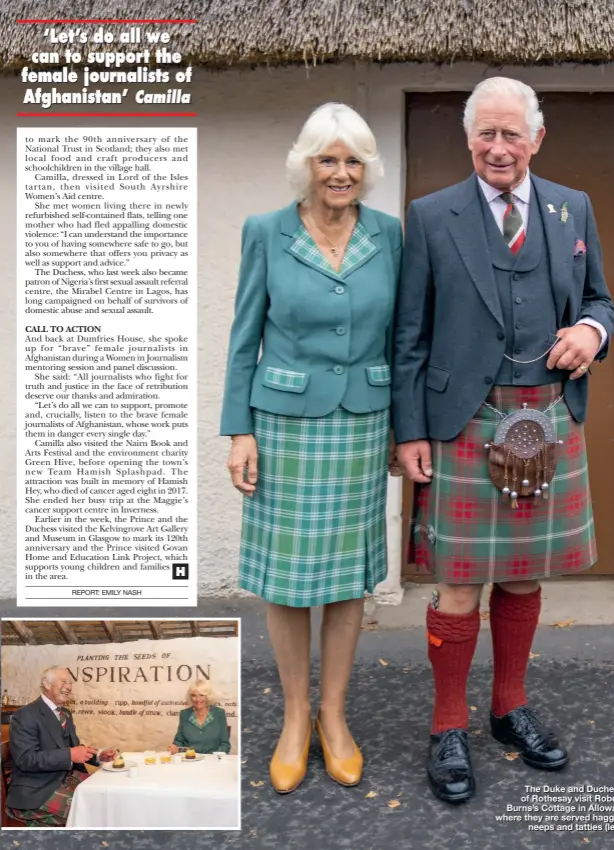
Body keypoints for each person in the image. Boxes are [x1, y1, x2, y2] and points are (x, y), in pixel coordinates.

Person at [392, 77, 614, 804]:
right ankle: (447, 723)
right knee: (458, 588)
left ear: (536, 139)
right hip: (465, 419)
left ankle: (508, 707)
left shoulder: (570, 206)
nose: (498, 147)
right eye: (485, 133)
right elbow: (410, 335)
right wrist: (411, 431)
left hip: (547, 417)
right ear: (468, 139)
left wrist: (592, 330)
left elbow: (597, 299)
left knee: (523, 575)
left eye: (511, 133)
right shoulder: (430, 216)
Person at [221, 102, 402, 793]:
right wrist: (239, 430)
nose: (340, 172)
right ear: (306, 164)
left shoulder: (390, 235)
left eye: (353, 160)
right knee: (289, 579)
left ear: (367, 170)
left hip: (362, 419)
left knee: (349, 577)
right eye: (328, 159)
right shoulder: (266, 232)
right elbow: (245, 338)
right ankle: (295, 718)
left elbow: (400, 338)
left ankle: (335, 717)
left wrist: (400, 424)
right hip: (285, 423)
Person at [5, 666, 116, 827]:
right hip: (38, 790)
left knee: (107, 801)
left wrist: (98, 756)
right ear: (47, 684)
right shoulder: (25, 714)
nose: (69, 686)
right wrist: (69, 755)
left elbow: (74, 748)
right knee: (93, 815)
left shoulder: (65, 713)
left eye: (71, 682)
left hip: (66, 780)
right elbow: (25, 759)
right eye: (64, 681)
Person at [169, 679, 231, 755]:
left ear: (208, 696)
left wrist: (213, 758)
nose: (198, 699)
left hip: (212, 761)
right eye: (194, 695)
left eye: (201, 695)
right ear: (190, 697)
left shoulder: (219, 714)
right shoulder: (184, 714)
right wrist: (175, 747)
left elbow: (225, 744)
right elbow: (179, 740)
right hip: (190, 760)